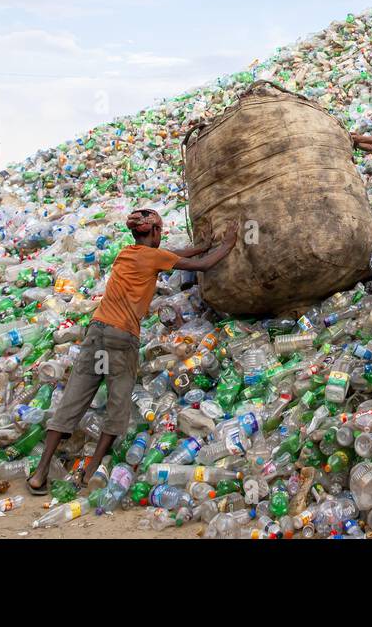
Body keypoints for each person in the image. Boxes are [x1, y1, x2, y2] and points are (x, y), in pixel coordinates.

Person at [26, 208, 237, 494]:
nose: (161, 237)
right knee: (118, 405)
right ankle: (89, 473)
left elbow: (175, 254)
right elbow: (202, 266)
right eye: (159, 232)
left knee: (74, 398)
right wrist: (226, 245)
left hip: (97, 332)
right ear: (153, 232)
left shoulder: (127, 253)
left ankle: (39, 474)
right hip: (121, 337)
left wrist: (201, 245)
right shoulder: (155, 257)